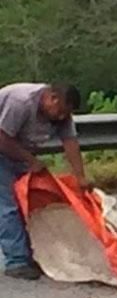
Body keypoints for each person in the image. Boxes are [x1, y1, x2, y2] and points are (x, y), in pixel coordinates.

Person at [0, 82, 91, 280]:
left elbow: (70, 142)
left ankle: (32, 254)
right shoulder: (21, 102)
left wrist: (80, 177)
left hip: (19, 150)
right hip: (3, 144)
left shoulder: (63, 114)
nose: (60, 117)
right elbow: (2, 138)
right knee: (9, 204)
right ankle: (16, 261)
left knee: (29, 201)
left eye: (65, 114)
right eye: (59, 111)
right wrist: (31, 161)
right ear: (51, 98)